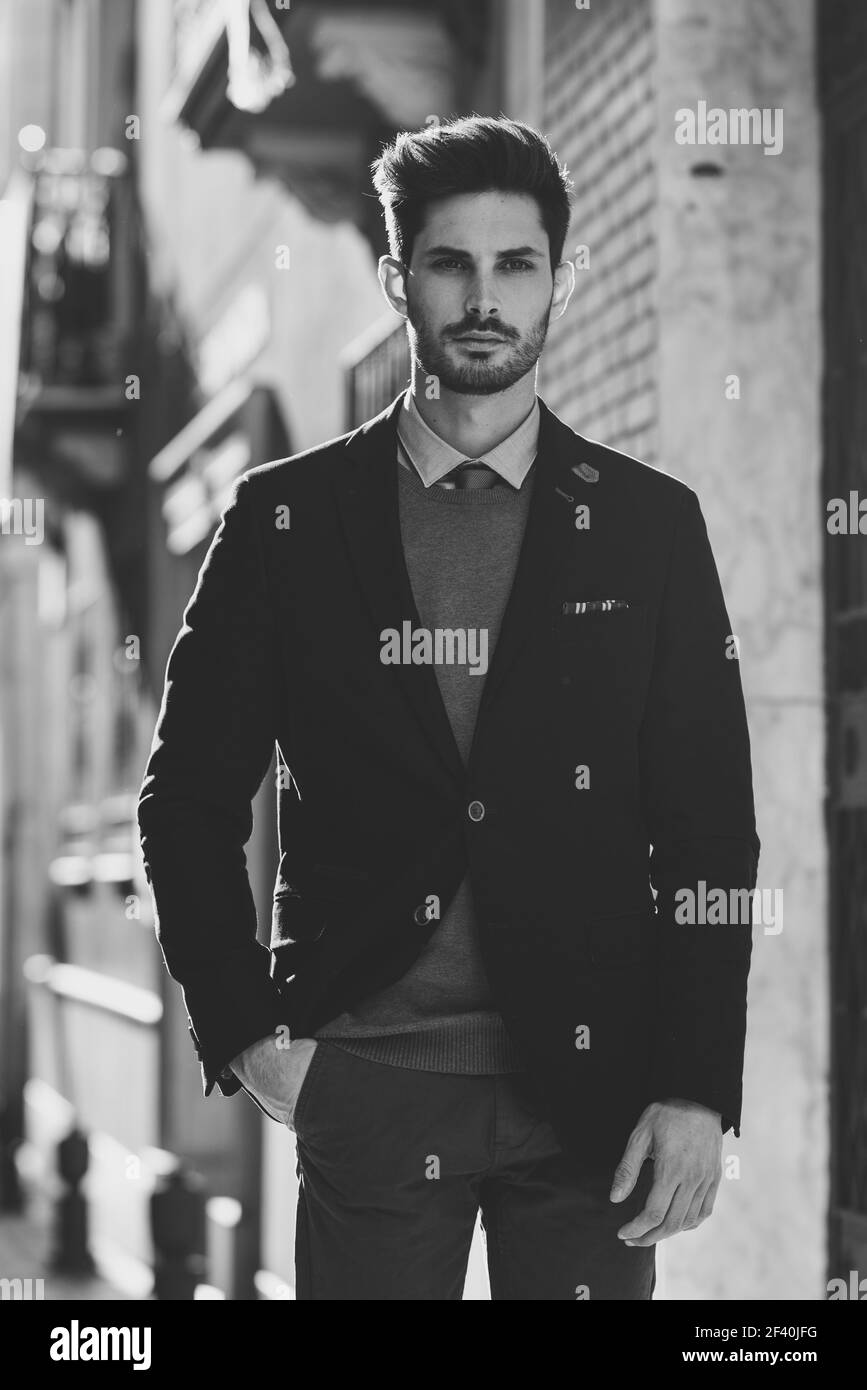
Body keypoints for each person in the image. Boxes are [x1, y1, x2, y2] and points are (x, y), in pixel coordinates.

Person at [138, 115, 760, 1301]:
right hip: (369, 1085)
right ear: (397, 279)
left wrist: (693, 1085)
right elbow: (187, 800)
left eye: (516, 265)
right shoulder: (284, 524)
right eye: (450, 264)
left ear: (559, 281)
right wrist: (253, 1040)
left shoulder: (648, 526)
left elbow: (707, 831)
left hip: (593, 1105)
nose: (485, 298)